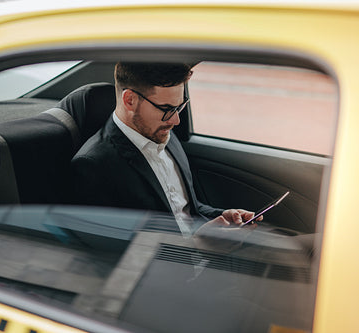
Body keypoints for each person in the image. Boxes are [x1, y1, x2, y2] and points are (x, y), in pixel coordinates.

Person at [70, 62, 260, 233]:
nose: (175, 120)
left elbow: (183, 209)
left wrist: (222, 216)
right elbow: (112, 254)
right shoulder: (93, 166)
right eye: (167, 109)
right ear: (130, 100)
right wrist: (198, 246)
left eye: (180, 107)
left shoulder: (164, 134)